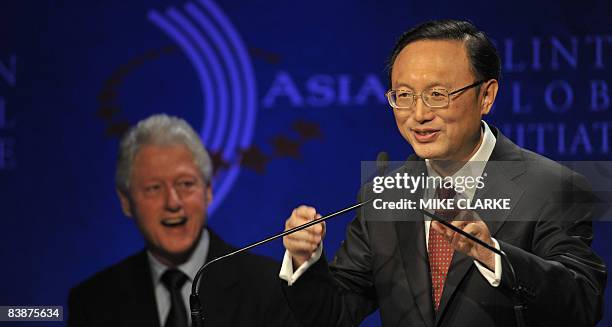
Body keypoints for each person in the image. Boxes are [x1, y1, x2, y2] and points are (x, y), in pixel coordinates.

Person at [279, 20, 607, 326]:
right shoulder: (385, 192)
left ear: (486, 96)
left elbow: (583, 303)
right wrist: (303, 261)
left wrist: (494, 256)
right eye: (404, 96)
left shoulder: (554, 186)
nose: (419, 114)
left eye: (438, 95)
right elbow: (335, 313)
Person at [68, 114, 296, 327]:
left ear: (208, 191)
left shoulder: (268, 288)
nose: (173, 202)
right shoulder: (93, 302)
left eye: (186, 184)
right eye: (154, 188)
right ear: (126, 201)